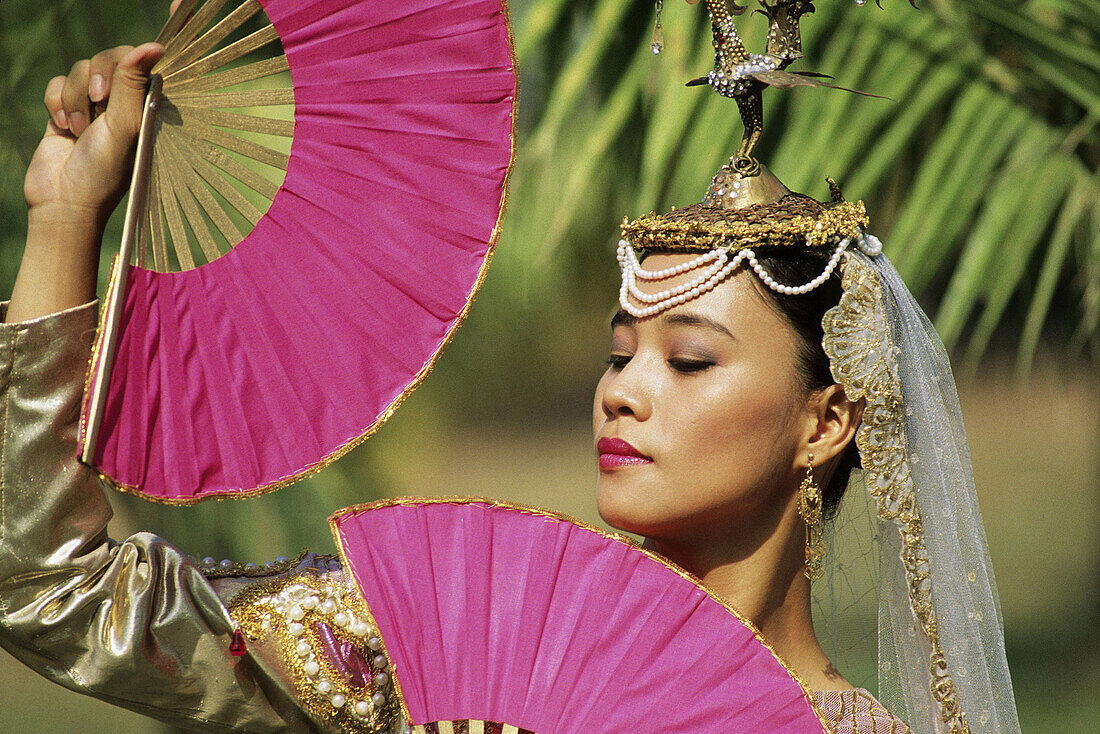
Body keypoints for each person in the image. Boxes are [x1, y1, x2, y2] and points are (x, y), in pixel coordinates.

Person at [0, 4, 1019, 734]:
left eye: (690, 358)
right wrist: (63, 217)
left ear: (825, 419)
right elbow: (52, 592)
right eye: (617, 351)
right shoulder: (446, 629)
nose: (621, 388)